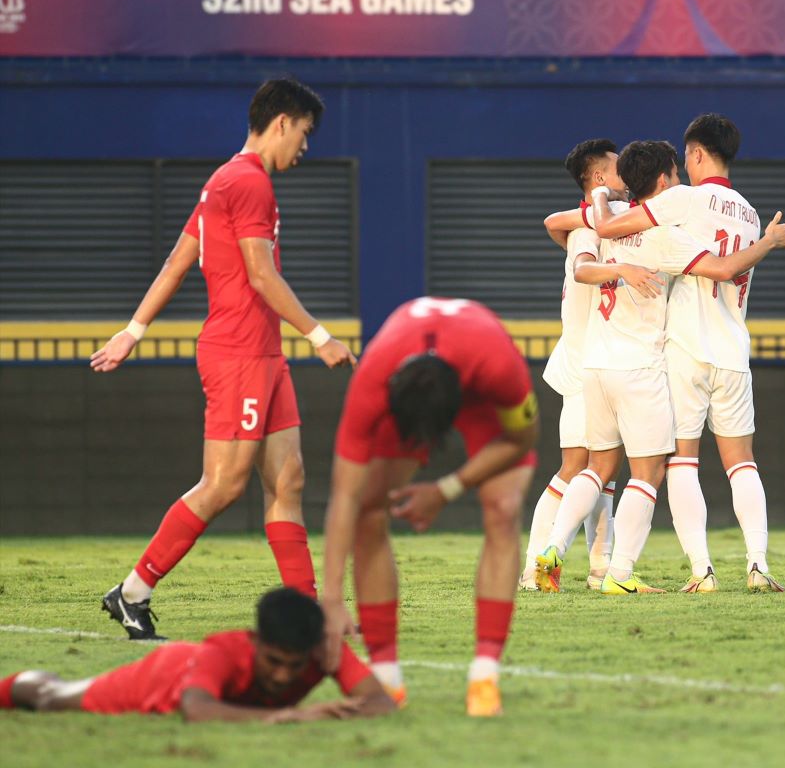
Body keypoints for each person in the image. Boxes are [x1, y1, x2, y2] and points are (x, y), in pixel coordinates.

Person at [89, 78, 356, 640]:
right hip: (239, 355)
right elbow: (261, 275)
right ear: (282, 122)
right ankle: (133, 591)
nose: (304, 148)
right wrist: (319, 335)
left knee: (288, 481)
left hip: (262, 353)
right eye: (304, 134)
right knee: (223, 484)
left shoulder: (224, 181)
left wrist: (132, 332)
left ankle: (310, 617)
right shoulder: (248, 181)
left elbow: (176, 263)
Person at [536, 139, 785, 595]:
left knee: (595, 469)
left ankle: (555, 549)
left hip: (596, 365)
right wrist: (770, 242)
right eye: (671, 174)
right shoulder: (679, 229)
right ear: (664, 179)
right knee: (653, 471)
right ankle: (623, 573)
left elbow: (573, 252)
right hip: (655, 364)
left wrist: (602, 216)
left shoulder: (594, 229)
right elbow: (723, 268)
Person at [319, 296, 539, 717]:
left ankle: (484, 677)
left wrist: (447, 488)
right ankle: (386, 681)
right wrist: (330, 597)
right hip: (408, 371)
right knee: (368, 508)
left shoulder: (498, 366)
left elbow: (522, 440)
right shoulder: (373, 381)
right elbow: (344, 495)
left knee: (504, 507)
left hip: (478, 386)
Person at [0, 588, 394, 721]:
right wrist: (289, 716)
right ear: (255, 641)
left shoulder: (323, 650)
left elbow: (380, 702)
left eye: (295, 666)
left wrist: (341, 713)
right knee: (51, 698)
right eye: (273, 662)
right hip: (165, 675)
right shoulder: (222, 653)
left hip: (192, 674)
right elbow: (197, 709)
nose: (282, 677)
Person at [519, 139, 625, 593]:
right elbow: (579, 260)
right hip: (587, 364)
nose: (629, 176)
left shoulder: (608, 222)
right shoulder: (590, 230)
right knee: (576, 467)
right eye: (620, 169)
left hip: (604, 362)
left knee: (603, 470)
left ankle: (600, 566)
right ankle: (533, 566)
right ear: (599, 178)